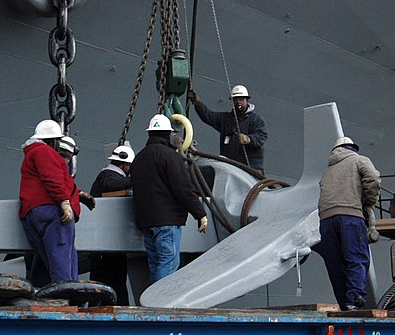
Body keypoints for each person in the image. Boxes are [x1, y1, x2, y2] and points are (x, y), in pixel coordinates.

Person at [130, 114, 208, 284]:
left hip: (146, 221)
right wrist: (199, 213)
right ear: (168, 134)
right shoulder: (170, 156)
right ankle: (159, 307)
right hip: (167, 221)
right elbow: (183, 188)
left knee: (155, 263)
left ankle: (151, 306)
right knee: (168, 262)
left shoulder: (139, 158)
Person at [316, 136, 381, 311]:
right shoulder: (359, 160)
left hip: (326, 220)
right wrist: (369, 202)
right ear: (352, 148)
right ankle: (354, 299)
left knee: (335, 263)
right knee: (356, 257)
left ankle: (345, 304)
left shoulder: (327, 170)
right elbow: (373, 178)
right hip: (350, 216)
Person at [19, 120, 87, 284]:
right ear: (53, 139)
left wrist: (77, 194)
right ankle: (66, 297)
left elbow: (42, 182)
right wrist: (64, 201)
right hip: (52, 211)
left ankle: (52, 294)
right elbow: (53, 179)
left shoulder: (32, 154)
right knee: (63, 256)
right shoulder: (44, 152)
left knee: (50, 259)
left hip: (34, 211)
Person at [88, 145, 135, 305]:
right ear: (124, 165)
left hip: (106, 241)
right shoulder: (108, 176)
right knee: (110, 280)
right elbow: (112, 185)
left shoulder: (106, 176)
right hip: (107, 243)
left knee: (109, 279)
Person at [187, 84, 268, 174]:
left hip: (251, 170)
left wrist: (248, 139)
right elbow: (208, 116)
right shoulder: (226, 119)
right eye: (235, 100)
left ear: (247, 100)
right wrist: (197, 103)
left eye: (241, 99)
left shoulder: (256, 120)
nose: (238, 102)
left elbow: (261, 137)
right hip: (230, 169)